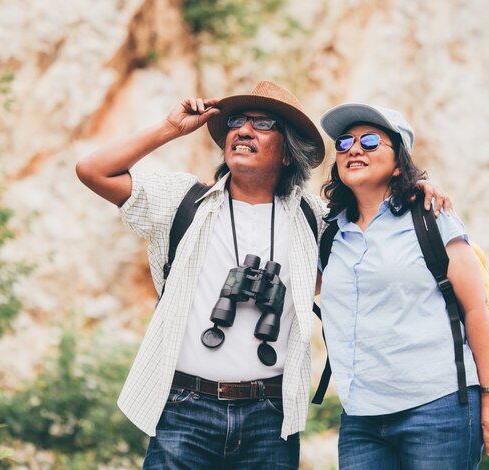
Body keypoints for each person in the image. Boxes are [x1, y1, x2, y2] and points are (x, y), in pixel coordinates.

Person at [75, 81, 445, 469]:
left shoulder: (315, 218)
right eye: (236, 121)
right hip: (185, 408)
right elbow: (92, 170)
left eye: (263, 123)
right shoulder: (184, 201)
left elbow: (376, 211)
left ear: (288, 153)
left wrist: (416, 186)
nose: (243, 131)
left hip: (271, 416)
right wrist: (170, 128)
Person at [318, 103, 489, 469]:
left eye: (371, 141)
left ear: (398, 163)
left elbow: (475, 308)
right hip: (361, 417)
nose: (354, 149)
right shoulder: (331, 232)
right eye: (344, 143)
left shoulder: (432, 217)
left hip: (439, 408)